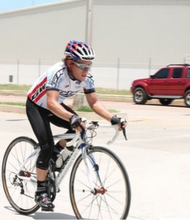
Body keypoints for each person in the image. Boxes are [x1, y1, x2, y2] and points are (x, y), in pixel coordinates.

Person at [26, 40, 127, 211]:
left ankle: (54, 155)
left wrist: (113, 118)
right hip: (37, 105)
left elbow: (94, 102)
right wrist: (72, 117)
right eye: (83, 66)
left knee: (79, 126)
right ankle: (41, 190)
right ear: (70, 63)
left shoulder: (86, 78)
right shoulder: (57, 72)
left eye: (89, 66)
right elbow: (51, 103)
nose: (86, 70)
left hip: (54, 106)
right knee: (46, 145)